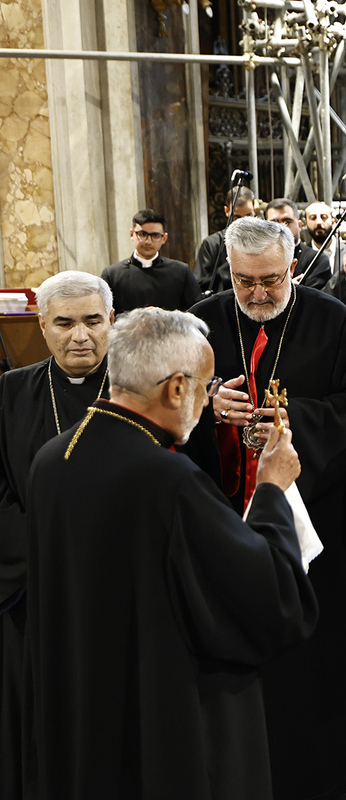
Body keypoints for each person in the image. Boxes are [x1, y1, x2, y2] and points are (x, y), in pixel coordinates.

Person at [22, 306, 319, 799]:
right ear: (176, 387)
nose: (205, 400)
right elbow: (272, 598)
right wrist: (271, 488)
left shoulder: (54, 457)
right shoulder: (170, 480)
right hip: (162, 720)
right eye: (206, 386)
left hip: (82, 702)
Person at [185, 216, 346, 800]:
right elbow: (162, 398)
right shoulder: (201, 322)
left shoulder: (335, 321)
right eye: (244, 281)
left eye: (271, 280)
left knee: (311, 654)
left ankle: (319, 770)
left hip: (311, 523)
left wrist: (298, 421)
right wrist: (205, 404)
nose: (257, 293)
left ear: (292, 268)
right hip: (221, 519)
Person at [0, 271, 114, 799]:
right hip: (35, 581)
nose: (80, 336)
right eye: (65, 323)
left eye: (92, 321)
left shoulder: (144, 385)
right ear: (42, 325)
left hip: (122, 577)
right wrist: (46, 549)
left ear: (111, 321)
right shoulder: (10, 392)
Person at [102, 209, 201, 313]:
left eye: (155, 235)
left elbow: (196, 312)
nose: (148, 241)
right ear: (132, 234)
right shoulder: (112, 275)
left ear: (164, 238)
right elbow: (105, 315)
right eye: (142, 234)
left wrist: (166, 316)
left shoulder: (181, 272)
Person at [196, 185, 255, 294]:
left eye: (248, 215)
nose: (244, 223)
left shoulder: (263, 241)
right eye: (237, 217)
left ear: (254, 209)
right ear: (227, 211)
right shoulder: (211, 244)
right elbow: (200, 284)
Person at [265, 198, 332, 289]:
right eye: (274, 223)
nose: (281, 227)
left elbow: (315, 296)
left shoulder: (317, 260)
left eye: (287, 222)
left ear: (299, 225)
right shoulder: (258, 260)